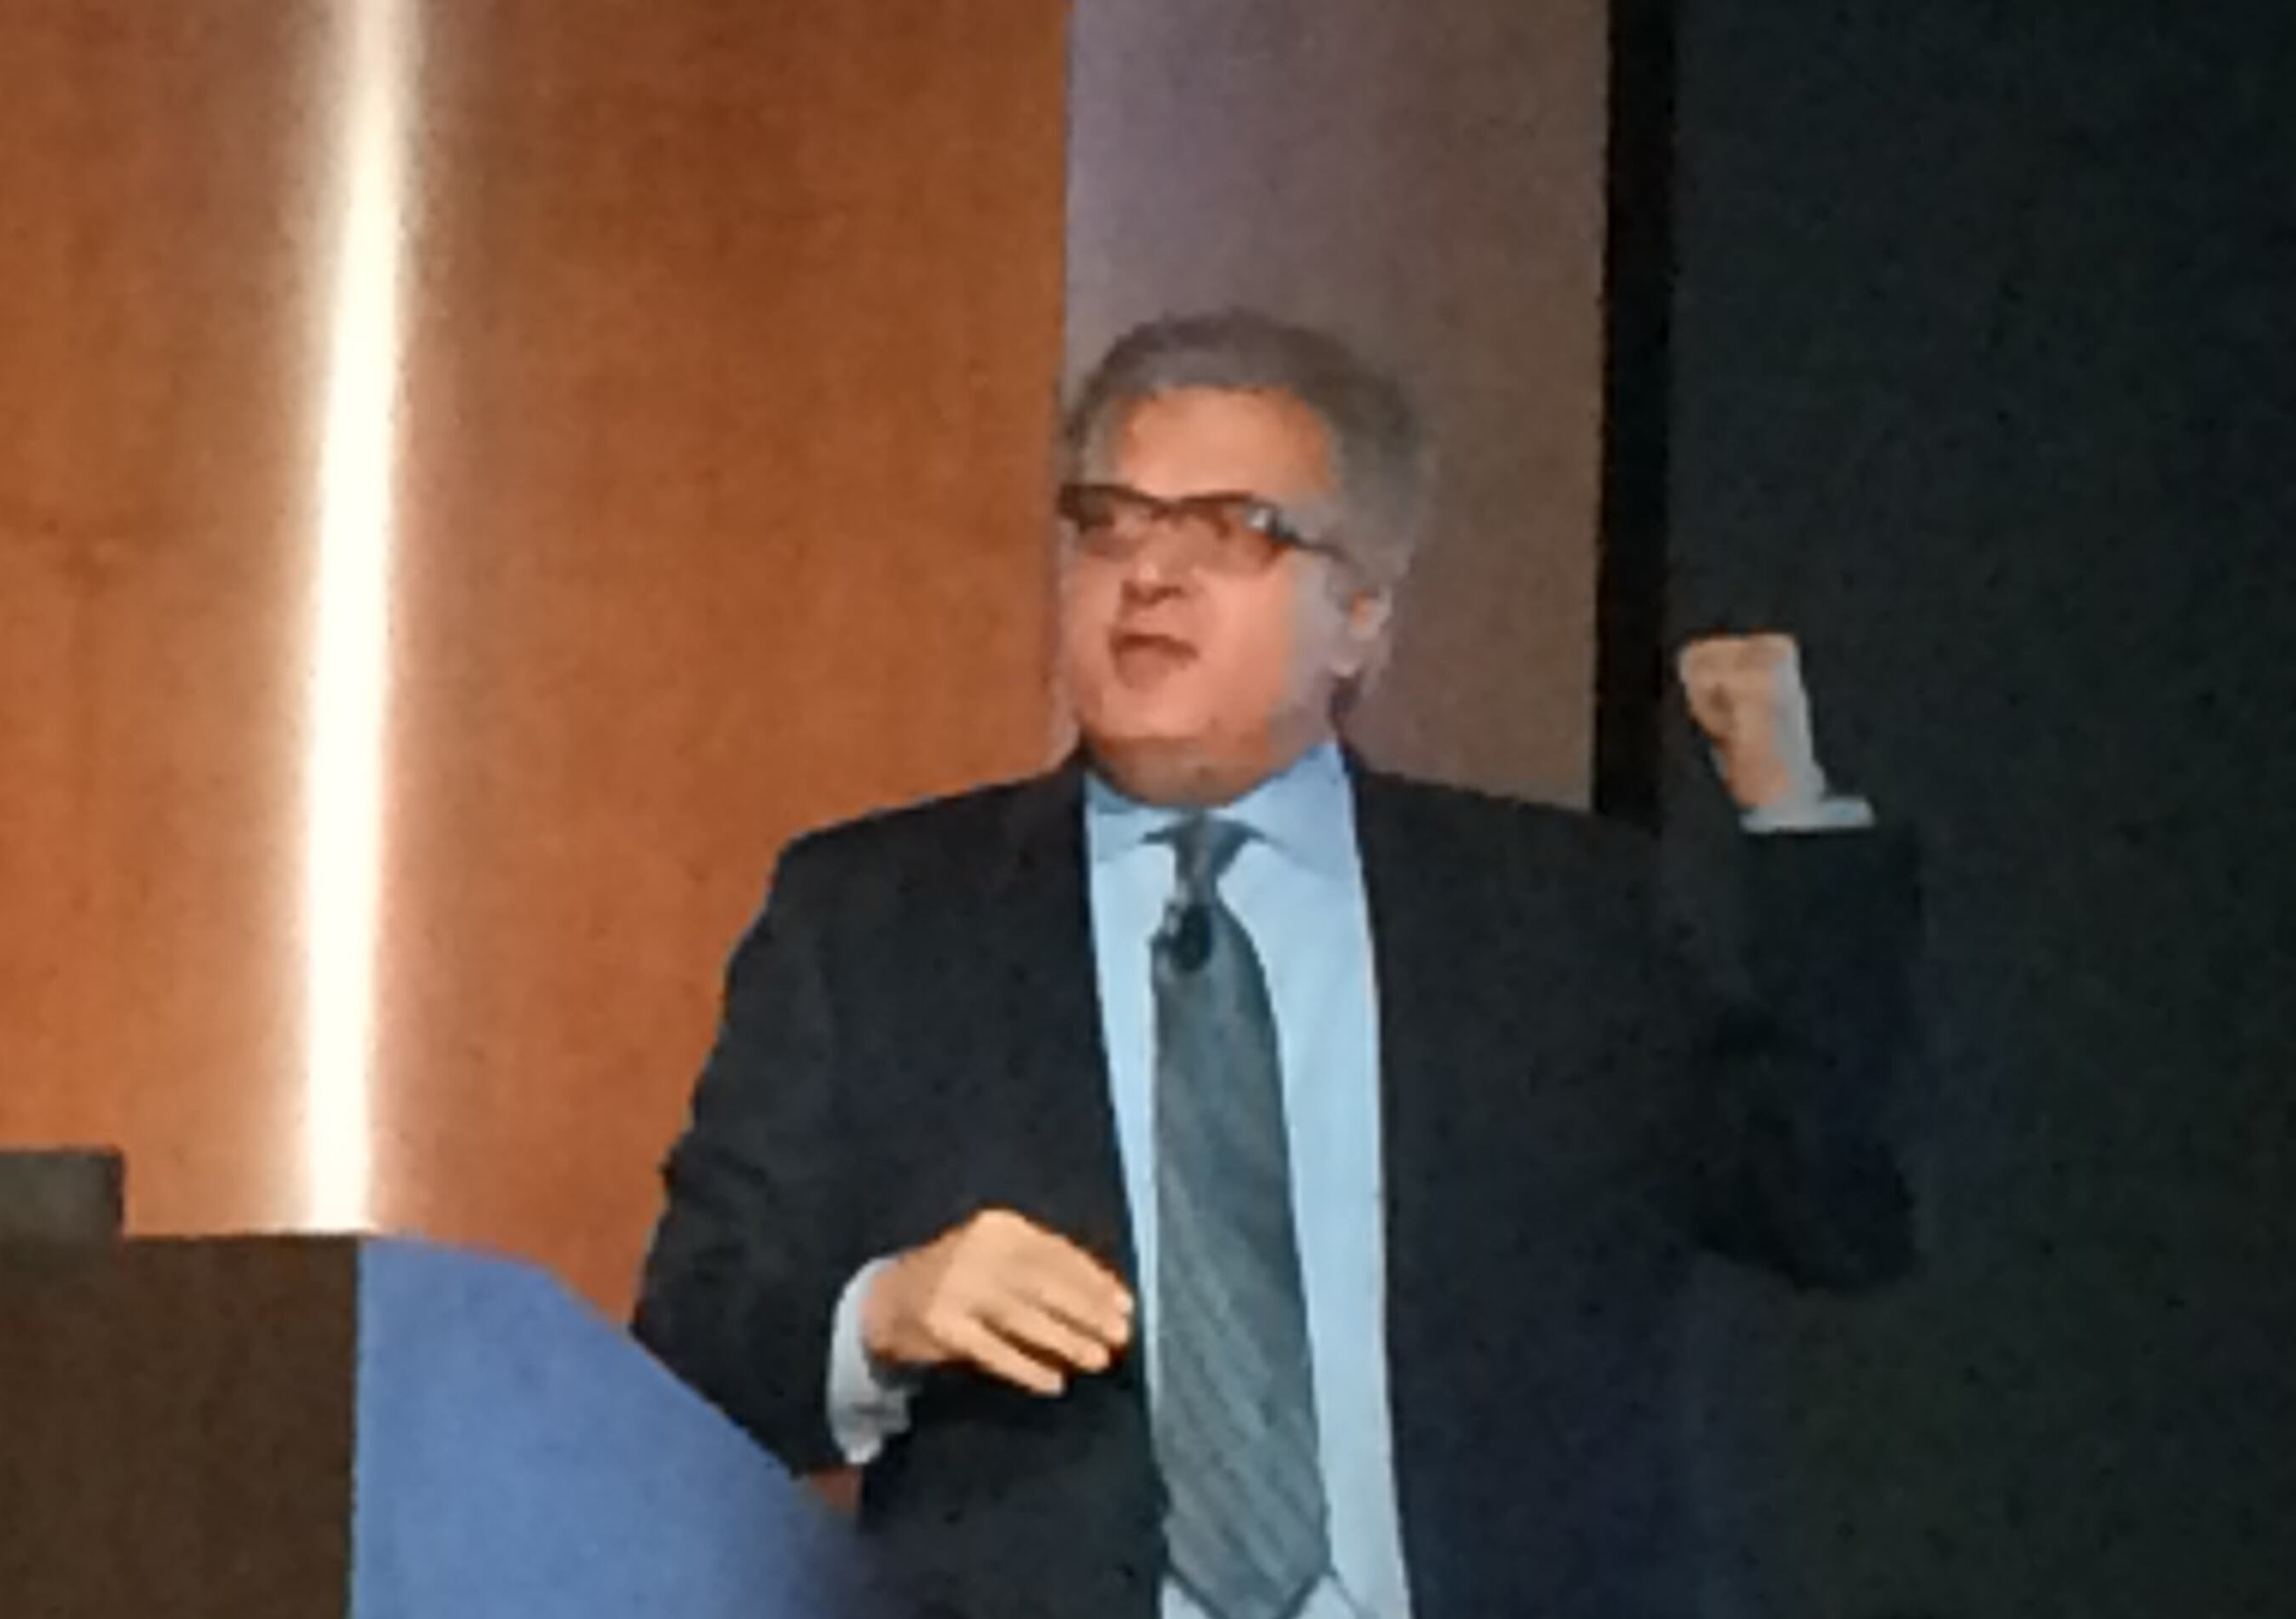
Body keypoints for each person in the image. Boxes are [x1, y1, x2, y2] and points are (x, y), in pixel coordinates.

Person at [630, 310, 1920, 1619]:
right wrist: (884, 1311)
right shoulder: (879, 918)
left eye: (1228, 533)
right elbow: (691, 1351)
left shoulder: (1558, 916)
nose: (1147, 576)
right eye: (1113, 523)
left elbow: (1835, 1204)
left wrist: (1793, 814)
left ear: (1360, 614)